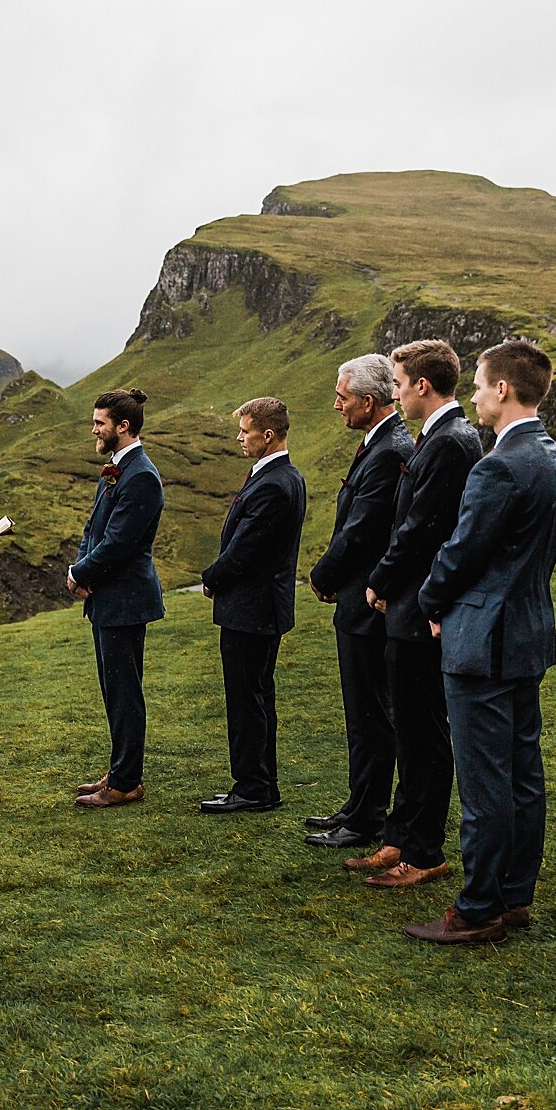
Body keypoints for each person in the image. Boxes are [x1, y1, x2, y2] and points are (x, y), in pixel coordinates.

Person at [406, 340, 556, 945]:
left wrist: (430, 602)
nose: (475, 394)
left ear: (503, 389)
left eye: (479, 384)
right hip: (528, 631)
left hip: (480, 639)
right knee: (523, 773)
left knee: (484, 782)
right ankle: (513, 896)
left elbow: (461, 551)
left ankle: (478, 907)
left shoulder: (499, 466)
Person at [357, 339, 483, 889]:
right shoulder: (441, 438)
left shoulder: (451, 443)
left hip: (417, 608)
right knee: (408, 728)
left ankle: (424, 850)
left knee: (424, 733)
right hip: (408, 608)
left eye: (400, 384)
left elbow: (422, 528)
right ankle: (399, 836)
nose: (397, 393)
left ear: (422, 386)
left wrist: (379, 580)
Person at [304, 356, 413, 848]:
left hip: (367, 605)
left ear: (368, 402)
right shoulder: (381, 443)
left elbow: (362, 529)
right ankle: (358, 803)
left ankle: (366, 816)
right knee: (360, 709)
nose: (336, 404)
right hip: (357, 598)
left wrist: (323, 575)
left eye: (342, 397)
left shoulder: (389, 450)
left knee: (369, 713)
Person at [199, 398, 307, 815]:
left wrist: (211, 578)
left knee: (247, 699)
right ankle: (261, 783)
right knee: (257, 696)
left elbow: (245, 551)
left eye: (245, 432)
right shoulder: (282, 477)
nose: (239, 438)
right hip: (259, 608)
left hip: (253, 610)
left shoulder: (275, 484)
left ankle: (252, 787)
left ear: (267, 434)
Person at [67, 389, 166, 809]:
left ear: (122, 427)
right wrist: (81, 568)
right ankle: (120, 768)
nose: (94, 429)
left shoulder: (141, 475)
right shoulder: (117, 470)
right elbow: (94, 531)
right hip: (108, 597)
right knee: (113, 688)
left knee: (125, 691)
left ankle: (126, 782)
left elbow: (119, 543)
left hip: (126, 598)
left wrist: (80, 573)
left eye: (99, 423)